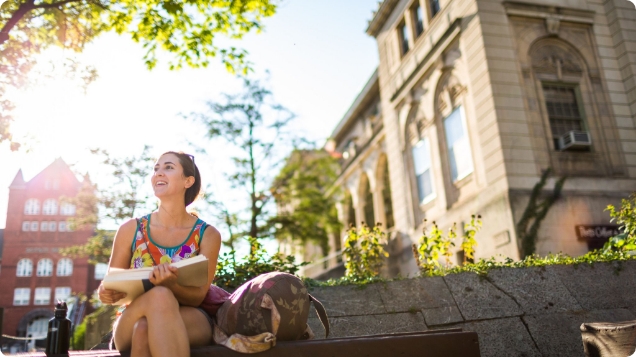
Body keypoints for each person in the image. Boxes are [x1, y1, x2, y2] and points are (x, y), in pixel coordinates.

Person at [99, 151, 221, 357]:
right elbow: (111, 286)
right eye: (156, 169)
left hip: (190, 317)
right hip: (133, 316)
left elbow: (198, 296)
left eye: (168, 167)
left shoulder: (207, 234)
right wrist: (105, 292)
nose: (158, 173)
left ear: (188, 181)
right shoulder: (130, 229)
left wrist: (171, 285)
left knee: (145, 329)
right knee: (158, 298)